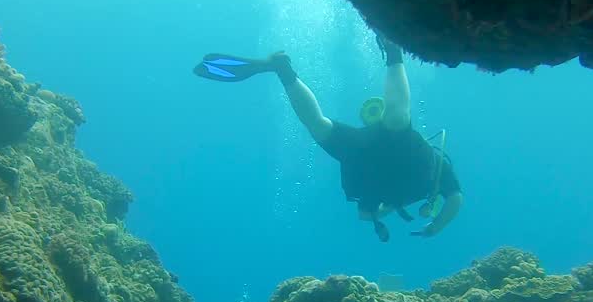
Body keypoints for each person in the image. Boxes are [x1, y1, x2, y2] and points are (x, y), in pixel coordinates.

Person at [193, 33, 463, 242]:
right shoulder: (437, 173)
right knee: (391, 118)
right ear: (432, 201)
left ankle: (284, 71)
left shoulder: (423, 183)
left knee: (327, 124)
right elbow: (455, 199)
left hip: (365, 151)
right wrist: (434, 226)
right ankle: (392, 53)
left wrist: (399, 210)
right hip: (399, 151)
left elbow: (366, 213)